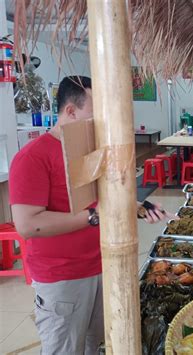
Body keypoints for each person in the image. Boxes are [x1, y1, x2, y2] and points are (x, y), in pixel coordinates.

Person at [9, 76, 172, 354]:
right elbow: (28, 225)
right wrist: (92, 216)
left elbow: (102, 199)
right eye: (95, 115)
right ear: (71, 111)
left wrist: (139, 208)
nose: (101, 124)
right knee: (65, 348)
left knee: (95, 345)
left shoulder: (88, 153)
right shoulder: (33, 157)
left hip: (102, 268)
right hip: (62, 280)